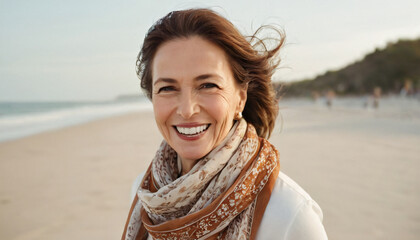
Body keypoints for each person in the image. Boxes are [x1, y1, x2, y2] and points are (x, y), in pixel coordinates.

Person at [122, 9, 328, 240]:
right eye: (167, 88)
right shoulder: (144, 196)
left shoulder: (289, 215)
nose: (187, 110)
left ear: (240, 97)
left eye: (208, 85)